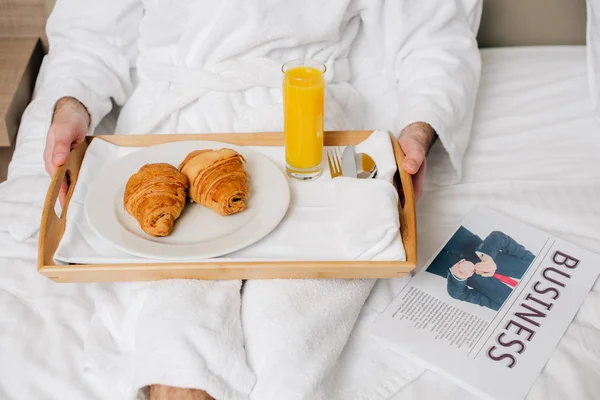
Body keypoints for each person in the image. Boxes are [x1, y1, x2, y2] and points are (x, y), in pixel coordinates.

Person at [28, 0, 482, 399]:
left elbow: (431, 31)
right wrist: (71, 107)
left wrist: (420, 129)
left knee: (296, 320)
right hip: (176, 119)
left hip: (309, 126)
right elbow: (93, 35)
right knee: (174, 313)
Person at [427, 226, 536, 311]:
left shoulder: (508, 305)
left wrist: (458, 276)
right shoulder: (536, 265)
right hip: (454, 235)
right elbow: (500, 238)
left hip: (435, 262)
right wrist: (487, 257)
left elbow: (460, 295)